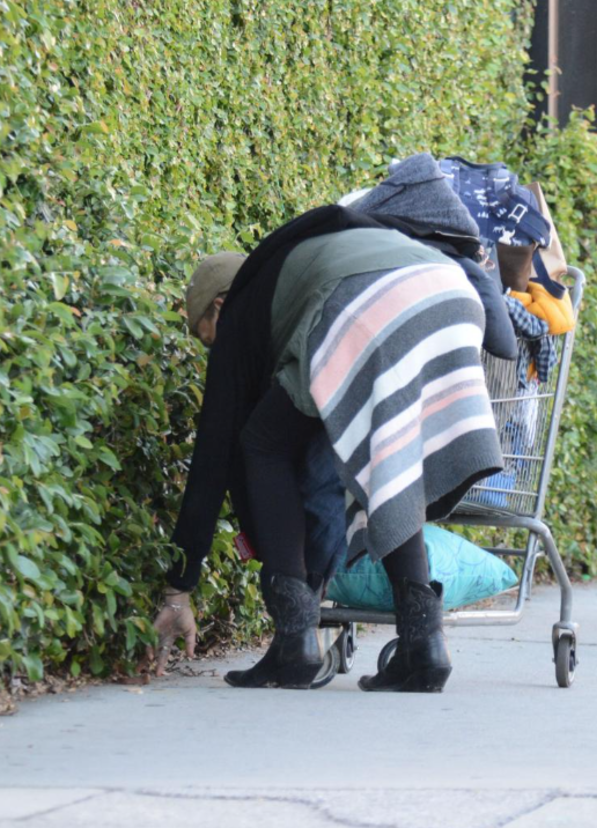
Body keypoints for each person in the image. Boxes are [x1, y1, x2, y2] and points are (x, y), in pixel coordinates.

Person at [146, 204, 503, 693]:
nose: (216, 352)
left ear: (220, 308)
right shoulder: (305, 266)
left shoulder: (245, 308)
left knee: (260, 443)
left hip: (374, 301)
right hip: (450, 293)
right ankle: (424, 648)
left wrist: (178, 587)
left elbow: (214, 454)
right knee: (390, 463)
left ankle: (294, 644)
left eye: (208, 339)